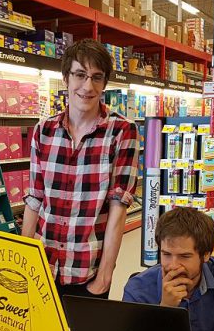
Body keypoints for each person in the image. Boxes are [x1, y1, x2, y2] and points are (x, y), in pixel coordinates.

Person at [22, 38, 139, 300]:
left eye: (97, 78)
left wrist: (105, 276)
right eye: (80, 75)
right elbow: (34, 200)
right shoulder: (44, 130)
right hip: (42, 266)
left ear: (105, 84)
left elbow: (118, 208)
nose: (87, 86)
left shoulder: (122, 131)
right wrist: (23, 261)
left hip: (87, 271)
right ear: (66, 78)